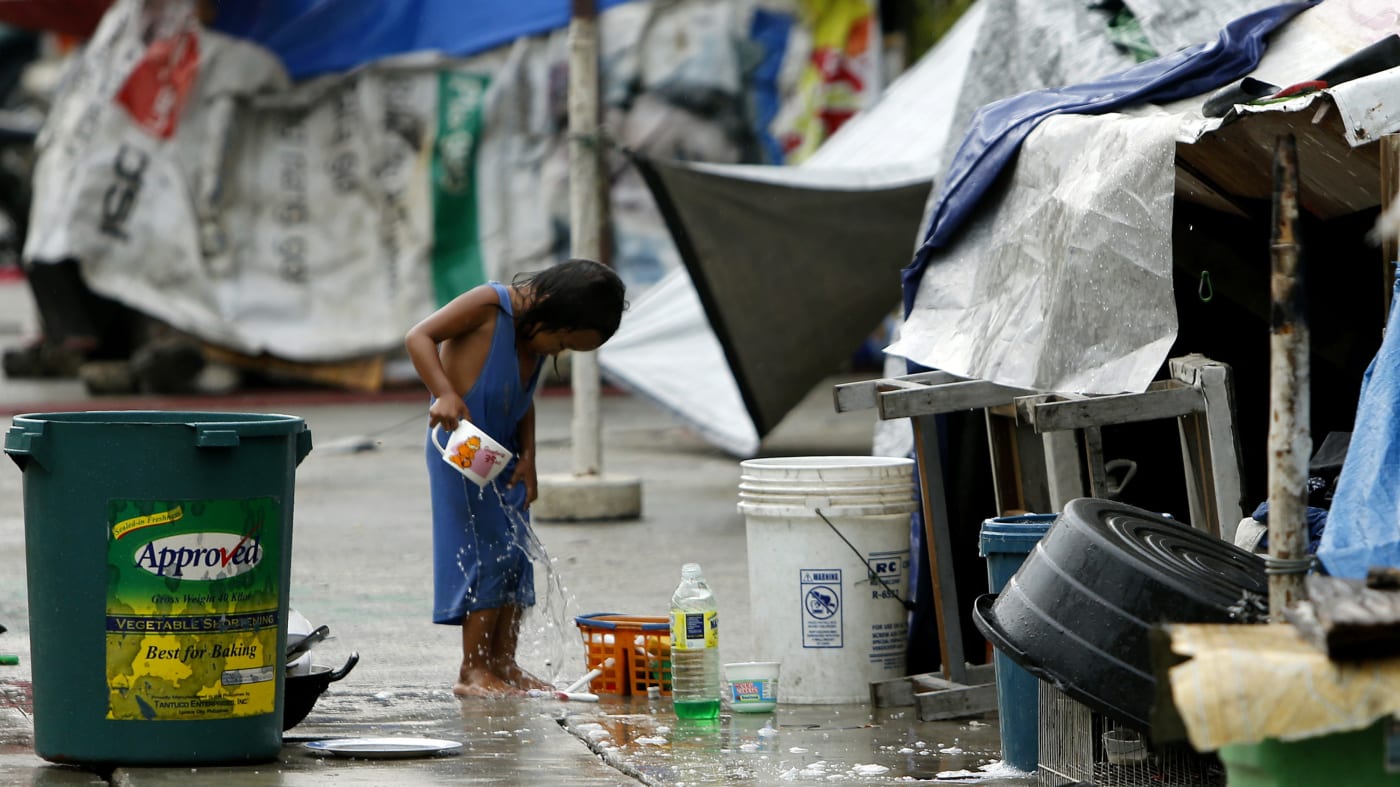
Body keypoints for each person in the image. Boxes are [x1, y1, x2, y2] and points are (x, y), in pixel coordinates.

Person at [405, 258, 627, 697]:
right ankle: (473, 670)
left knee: (515, 557)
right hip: (460, 450)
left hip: (502, 459)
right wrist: (445, 393)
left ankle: (504, 662)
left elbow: (523, 400)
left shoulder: (536, 340)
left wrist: (530, 458)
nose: (557, 351)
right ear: (551, 309)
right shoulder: (491, 306)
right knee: (483, 553)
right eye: (563, 340)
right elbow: (419, 336)